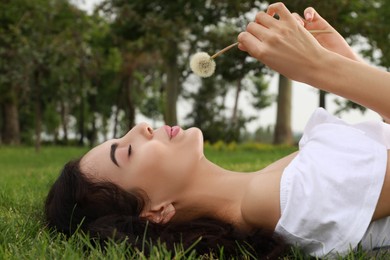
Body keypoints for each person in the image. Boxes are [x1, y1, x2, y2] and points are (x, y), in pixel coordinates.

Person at [45, 2, 390, 259]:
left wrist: (346, 63)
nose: (141, 127)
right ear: (156, 212)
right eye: (127, 151)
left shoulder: (269, 187)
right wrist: (320, 68)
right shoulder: (270, 202)